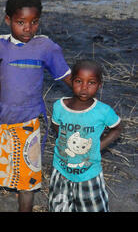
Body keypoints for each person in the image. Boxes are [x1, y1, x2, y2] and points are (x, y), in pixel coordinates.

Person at [0, 0, 72, 212]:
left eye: (34, 23)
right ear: (8, 20)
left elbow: (69, 77)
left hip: (27, 123)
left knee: (28, 179)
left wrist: (86, 100)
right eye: (21, 22)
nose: (28, 28)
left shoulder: (46, 47)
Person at [49, 59, 121, 212]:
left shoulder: (103, 111)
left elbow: (117, 129)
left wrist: (98, 146)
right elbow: (56, 125)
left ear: (99, 85)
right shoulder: (59, 107)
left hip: (89, 174)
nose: (84, 87)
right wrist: (66, 140)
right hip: (61, 171)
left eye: (91, 82)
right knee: (58, 207)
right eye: (79, 81)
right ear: (71, 80)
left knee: (92, 207)